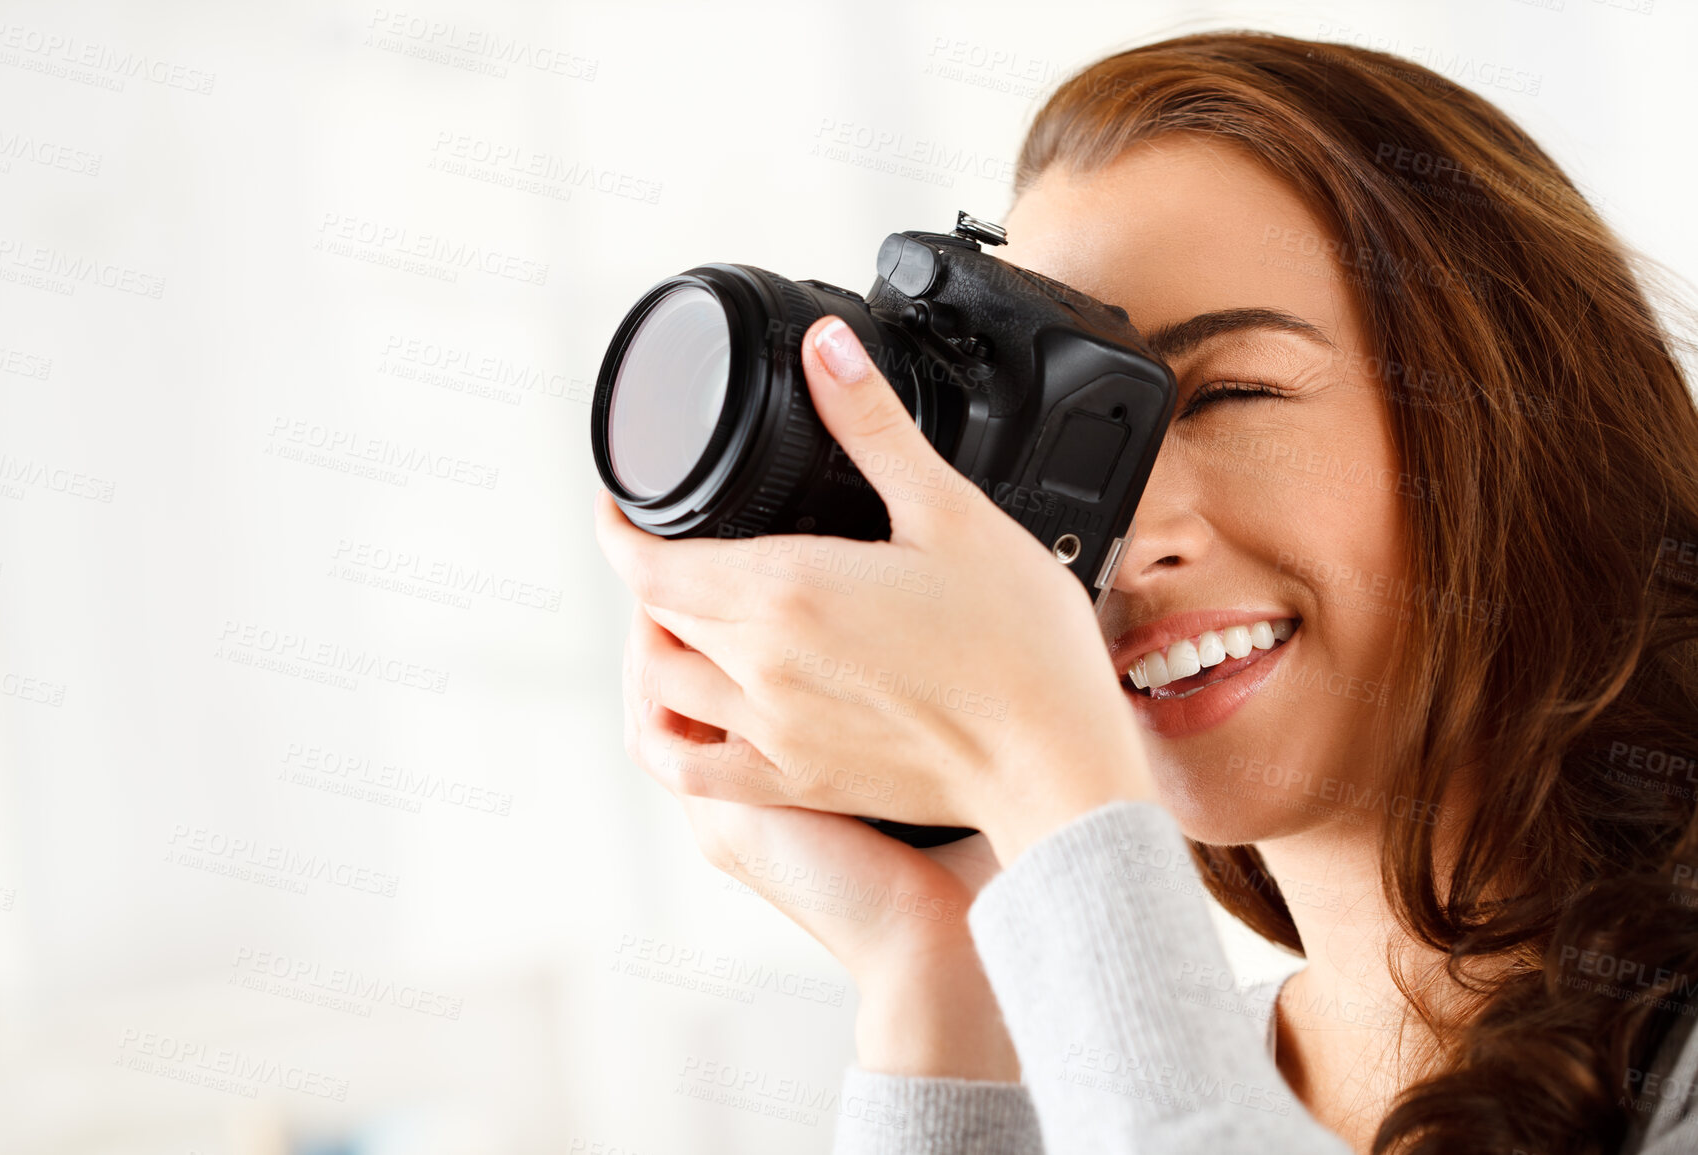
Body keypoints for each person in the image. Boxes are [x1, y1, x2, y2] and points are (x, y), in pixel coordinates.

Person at [593, 30, 1698, 1155]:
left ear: (1528, 427)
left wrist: (1038, 765)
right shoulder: (1124, 1100)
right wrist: (940, 976)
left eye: (1227, 396)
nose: (1120, 538)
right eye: (1076, 439)